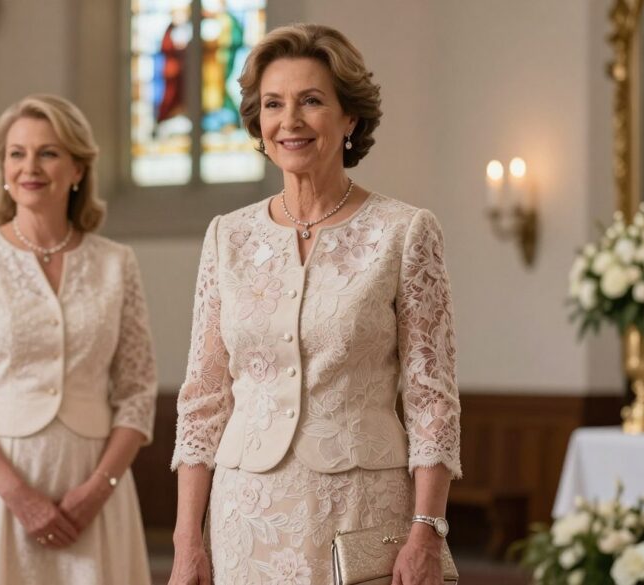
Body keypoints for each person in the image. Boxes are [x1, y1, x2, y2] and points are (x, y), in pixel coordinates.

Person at [168, 23, 461, 585]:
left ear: (349, 117)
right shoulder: (226, 237)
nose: (290, 121)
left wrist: (427, 527)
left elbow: (432, 398)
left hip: (358, 511)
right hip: (243, 514)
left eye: (311, 101)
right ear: (258, 121)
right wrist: (187, 541)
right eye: (274, 104)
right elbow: (203, 400)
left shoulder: (404, 232)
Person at [0, 94, 157, 585]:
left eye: (48, 152)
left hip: (94, 487)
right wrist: (19, 497)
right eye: (16, 153)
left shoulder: (117, 263)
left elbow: (137, 391)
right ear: (4, 168)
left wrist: (98, 488)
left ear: (77, 169)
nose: (30, 166)